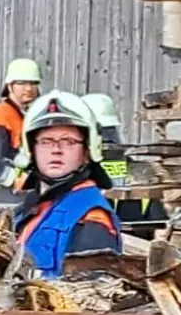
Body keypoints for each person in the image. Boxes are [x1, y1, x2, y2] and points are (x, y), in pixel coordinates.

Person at [14, 92, 123, 276]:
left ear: (87, 150)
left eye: (68, 142)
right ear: (32, 149)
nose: (56, 150)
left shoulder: (92, 218)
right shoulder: (31, 209)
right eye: (46, 141)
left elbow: (90, 296)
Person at [83, 92, 166, 240]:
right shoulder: (75, 175)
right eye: (102, 132)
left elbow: (159, 227)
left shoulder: (141, 171)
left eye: (109, 132)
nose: (107, 140)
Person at [0, 58, 42, 204]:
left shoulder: (29, 116)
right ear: (10, 86)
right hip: (8, 197)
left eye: (33, 83)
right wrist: (14, 180)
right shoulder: (0, 116)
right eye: (22, 83)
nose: (28, 88)